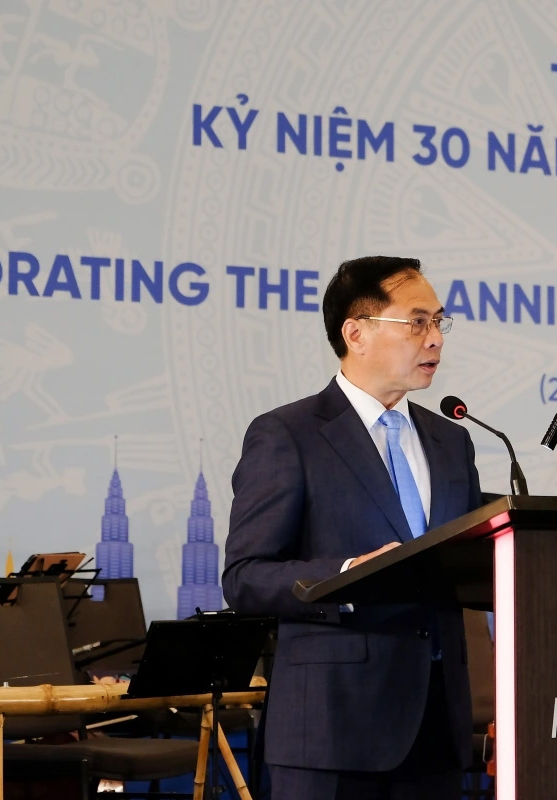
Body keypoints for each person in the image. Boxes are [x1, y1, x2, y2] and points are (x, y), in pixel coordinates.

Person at [222, 255, 483, 800]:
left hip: (437, 727)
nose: (436, 338)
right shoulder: (288, 434)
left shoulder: (452, 441)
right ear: (356, 333)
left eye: (439, 322)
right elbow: (246, 576)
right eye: (417, 322)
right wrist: (346, 575)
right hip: (330, 731)